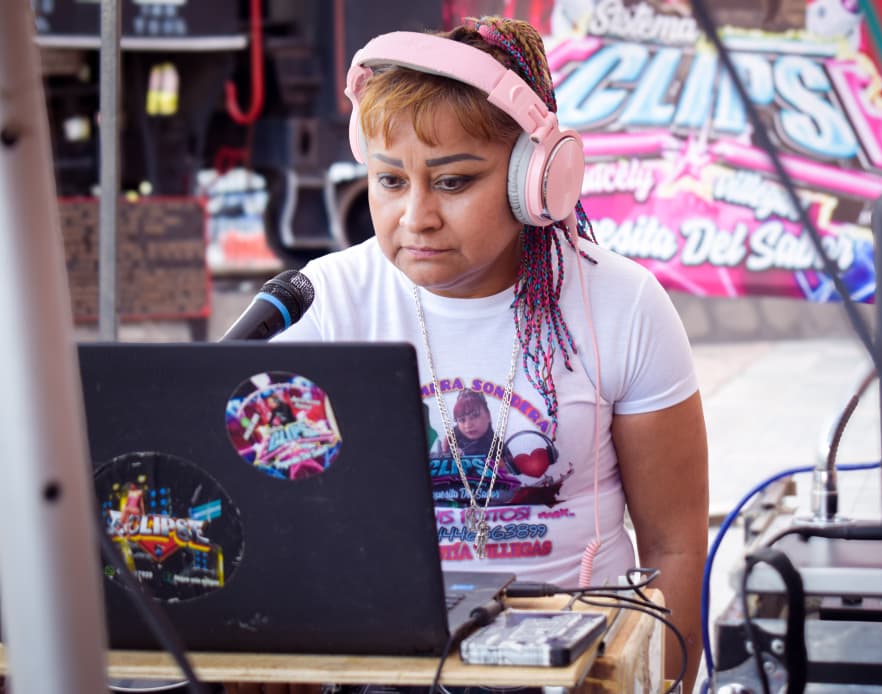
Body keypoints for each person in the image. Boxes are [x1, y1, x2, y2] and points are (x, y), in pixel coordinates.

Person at [267, 15, 708, 691]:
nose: (416, 216)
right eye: (390, 181)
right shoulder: (319, 303)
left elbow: (675, 548)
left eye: (451, 182)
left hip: (580, 669)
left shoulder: (624, 304)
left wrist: (655, 684)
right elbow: (276, 531)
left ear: (537, 180)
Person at [431, 388, 495, 456]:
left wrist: (464, 453)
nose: (468, 425)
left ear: (488, 416)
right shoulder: (450, 441)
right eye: (462, 420)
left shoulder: (497, 447)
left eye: (475, 416)